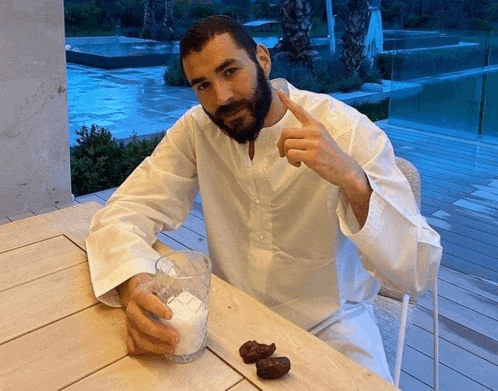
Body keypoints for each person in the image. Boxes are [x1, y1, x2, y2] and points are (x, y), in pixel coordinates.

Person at [85, 15, 442, 383]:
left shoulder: (345, 129)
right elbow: (124, 212)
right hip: (228, 319)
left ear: (263, 59)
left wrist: (352, 178)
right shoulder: (198, 130)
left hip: (332, 327)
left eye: (230, 71)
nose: (221, 97)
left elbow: (415, 272)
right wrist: (134, 285)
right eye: (203, 85)